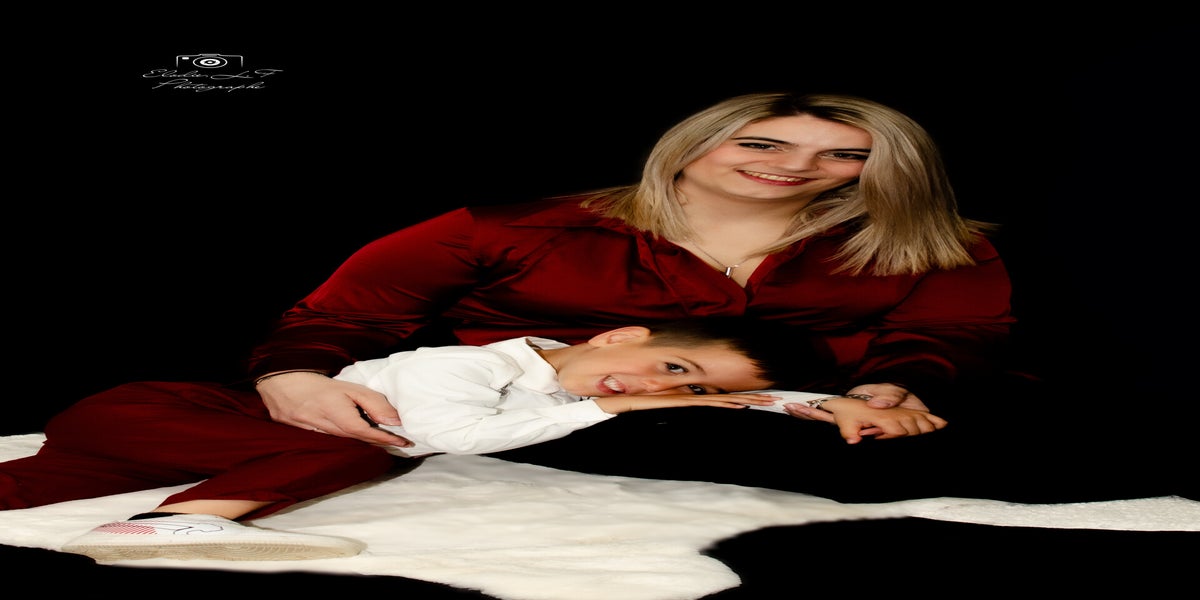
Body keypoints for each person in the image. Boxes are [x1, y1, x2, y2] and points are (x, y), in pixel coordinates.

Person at [240, 91, 1184, 503]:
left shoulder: (937, 240)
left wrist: (893, 390)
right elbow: (339, 318)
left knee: (1109, 440)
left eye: (842, 154)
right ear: (694, 145)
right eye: (762, 143)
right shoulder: (509, 226)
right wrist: (292, 380)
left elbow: (958, 335)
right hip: (562, 415)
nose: (795, 167)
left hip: (821, 413)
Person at [5, 317, 933, 562]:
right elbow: (450, 434)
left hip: (189, 439)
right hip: (181, 408)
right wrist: (610, 414)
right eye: (671, 368)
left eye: (688, 393)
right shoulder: (467, 367)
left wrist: (840, 404)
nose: (658, 391)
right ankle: (162, 525)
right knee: (359, 452)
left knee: (36, 488)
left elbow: (751, 398)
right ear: (617, 336)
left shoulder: (564, 391)